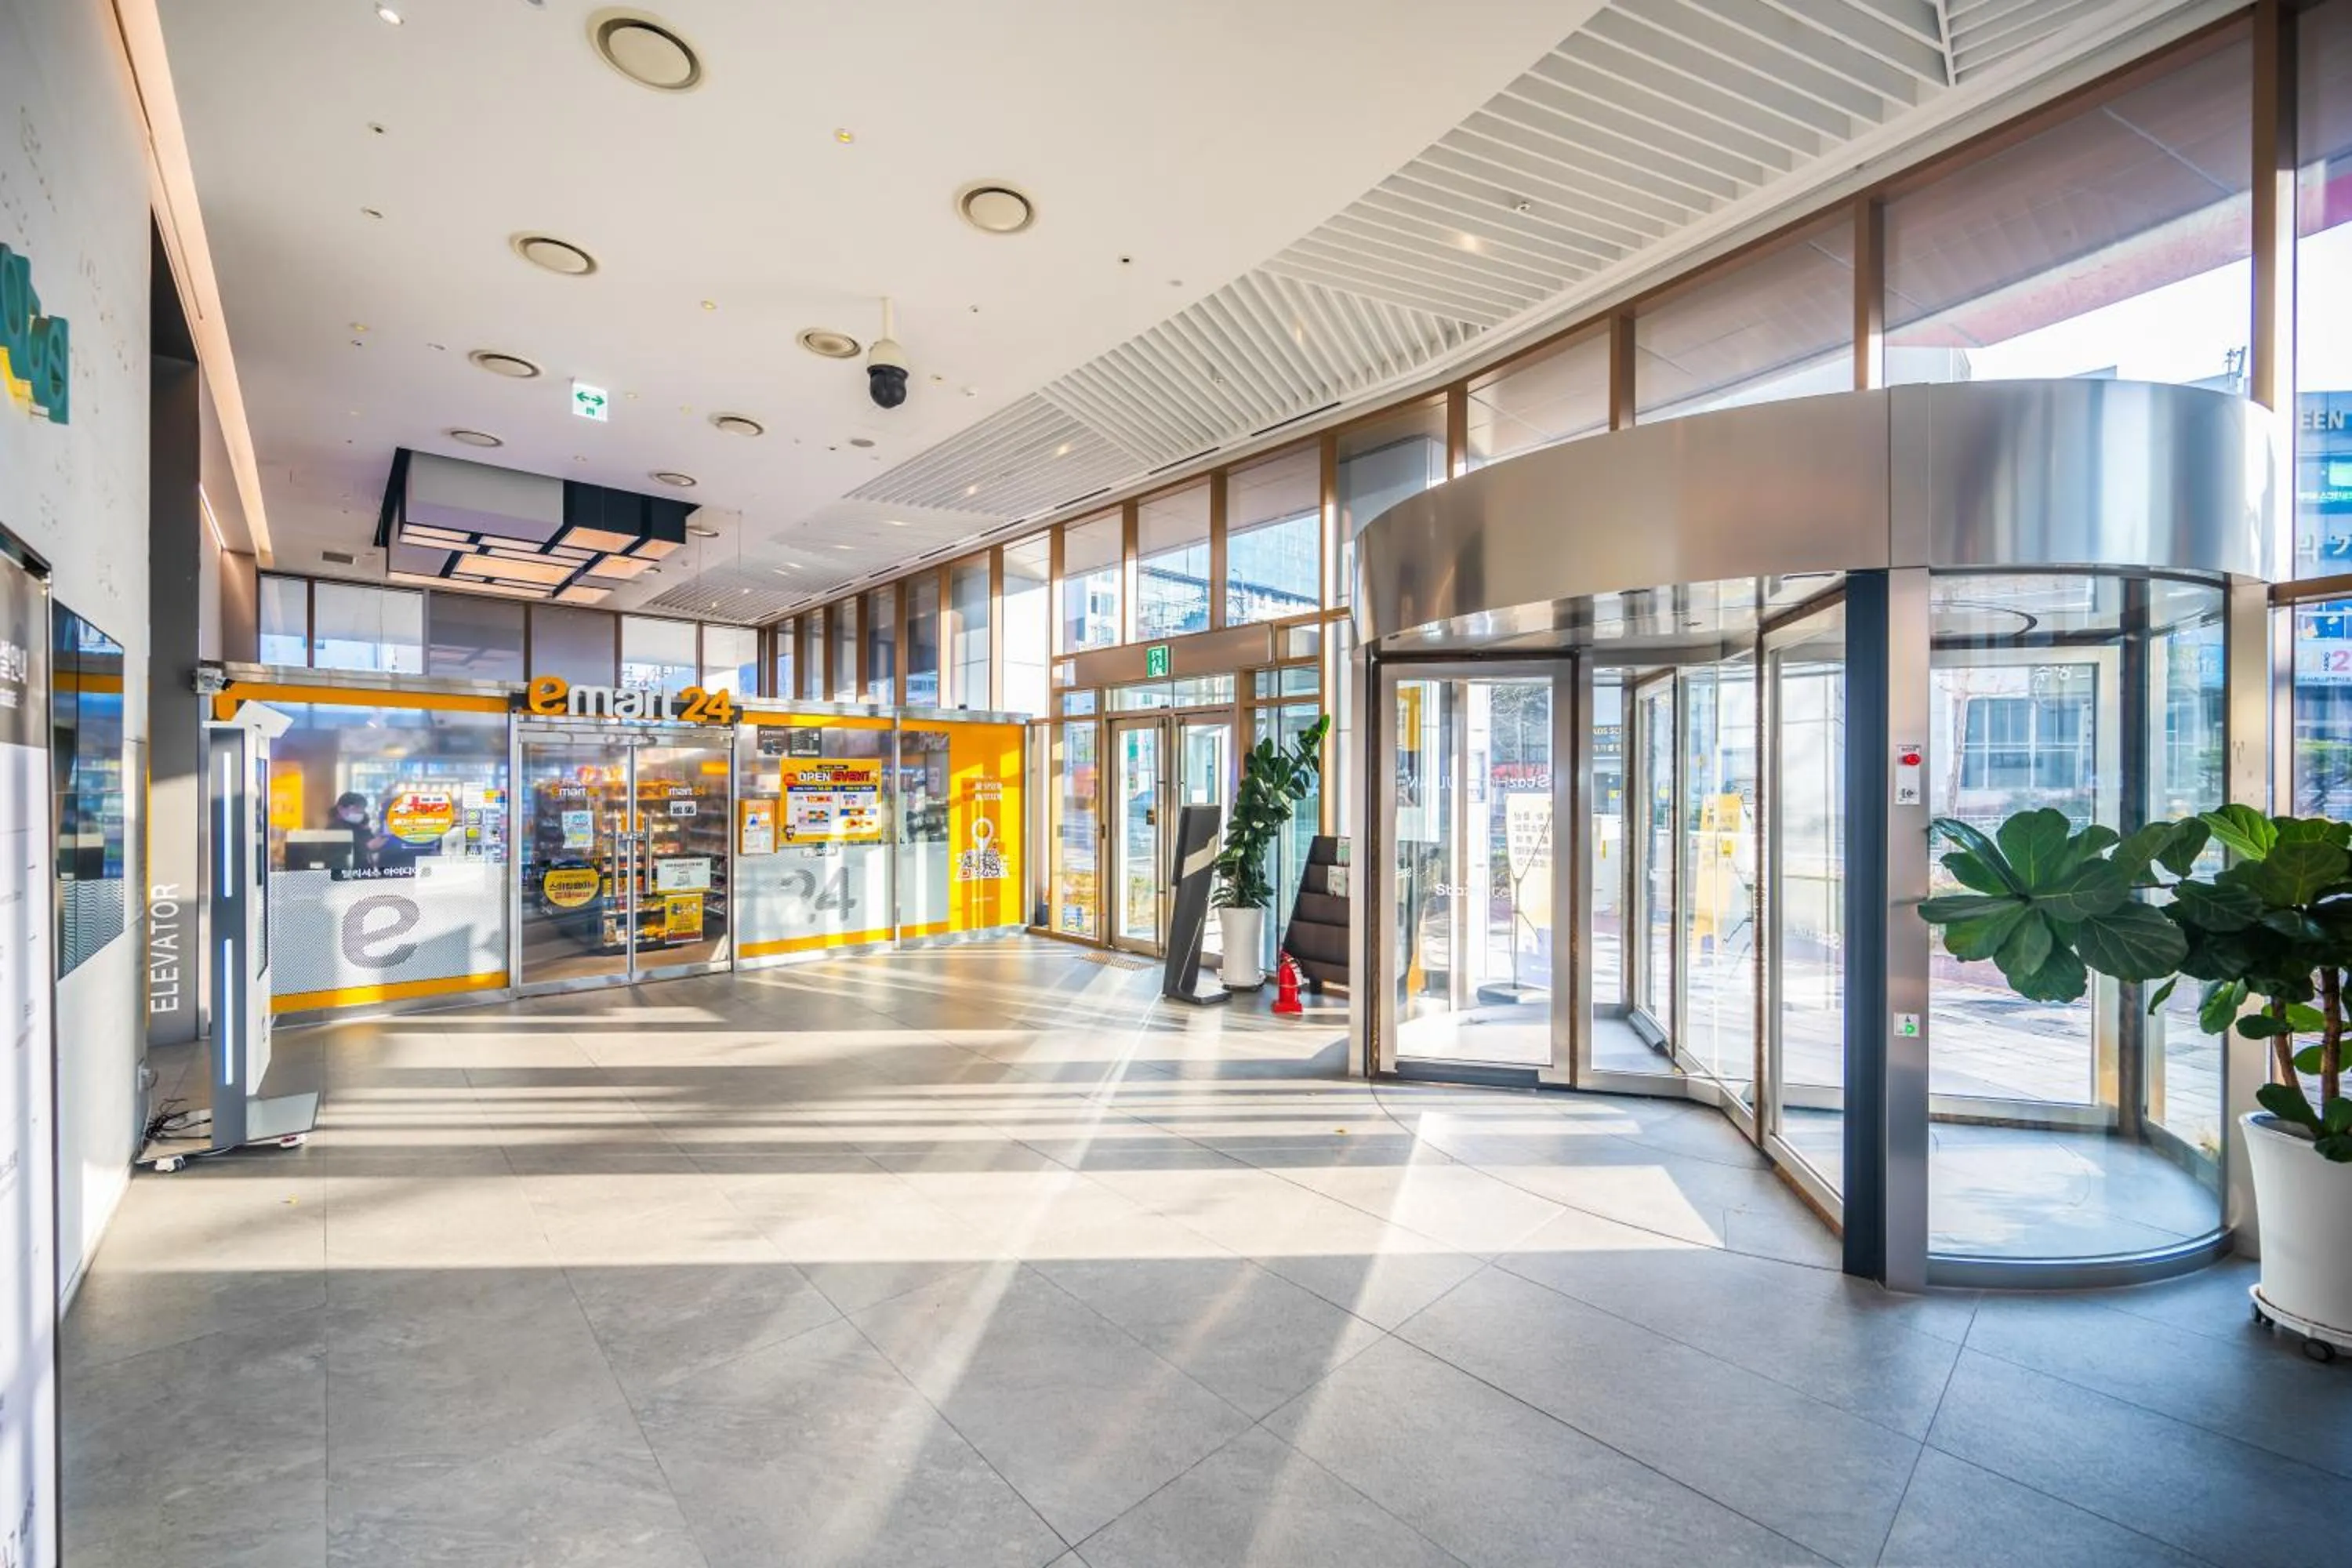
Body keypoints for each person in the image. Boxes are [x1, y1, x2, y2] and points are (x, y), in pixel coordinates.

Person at [329, 791, 390, 871]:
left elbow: (370, 844)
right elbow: (341, 860)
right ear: (340, 809)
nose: (360, 812)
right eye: (355, 808)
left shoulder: (360, 827)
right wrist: (368, 847)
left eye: (362, 808)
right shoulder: (335, 830)